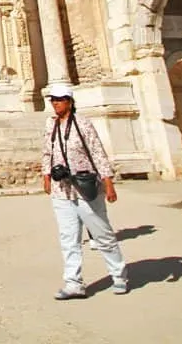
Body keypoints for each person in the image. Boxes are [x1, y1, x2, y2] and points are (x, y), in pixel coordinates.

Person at [42, 84, 128, 299]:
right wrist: (46, 176)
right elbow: (47, 152)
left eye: (60, 99)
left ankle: (119, 275)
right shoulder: (50, 125)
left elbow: (97, 151)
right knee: (68, 238)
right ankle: (73, 283)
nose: (55, 103)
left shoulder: (83, 124)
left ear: (70, 102)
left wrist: (108, 182)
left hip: (86, 187)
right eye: (52, 99)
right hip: (61, 189)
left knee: (103, 234)